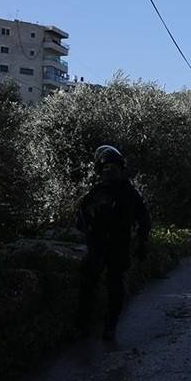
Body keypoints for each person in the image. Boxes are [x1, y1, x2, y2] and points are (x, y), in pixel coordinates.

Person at [75, 145, 151, 340]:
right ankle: (87, 324)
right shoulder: (96, 193)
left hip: (116, 246)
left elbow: (144, 218)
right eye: (107, 167)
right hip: (100, 246)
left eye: (113, 167)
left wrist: (142, 241)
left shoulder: (127, 192)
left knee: (112, 285)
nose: (110, 170)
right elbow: (81, 220)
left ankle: (105, 325)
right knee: (91, 284)